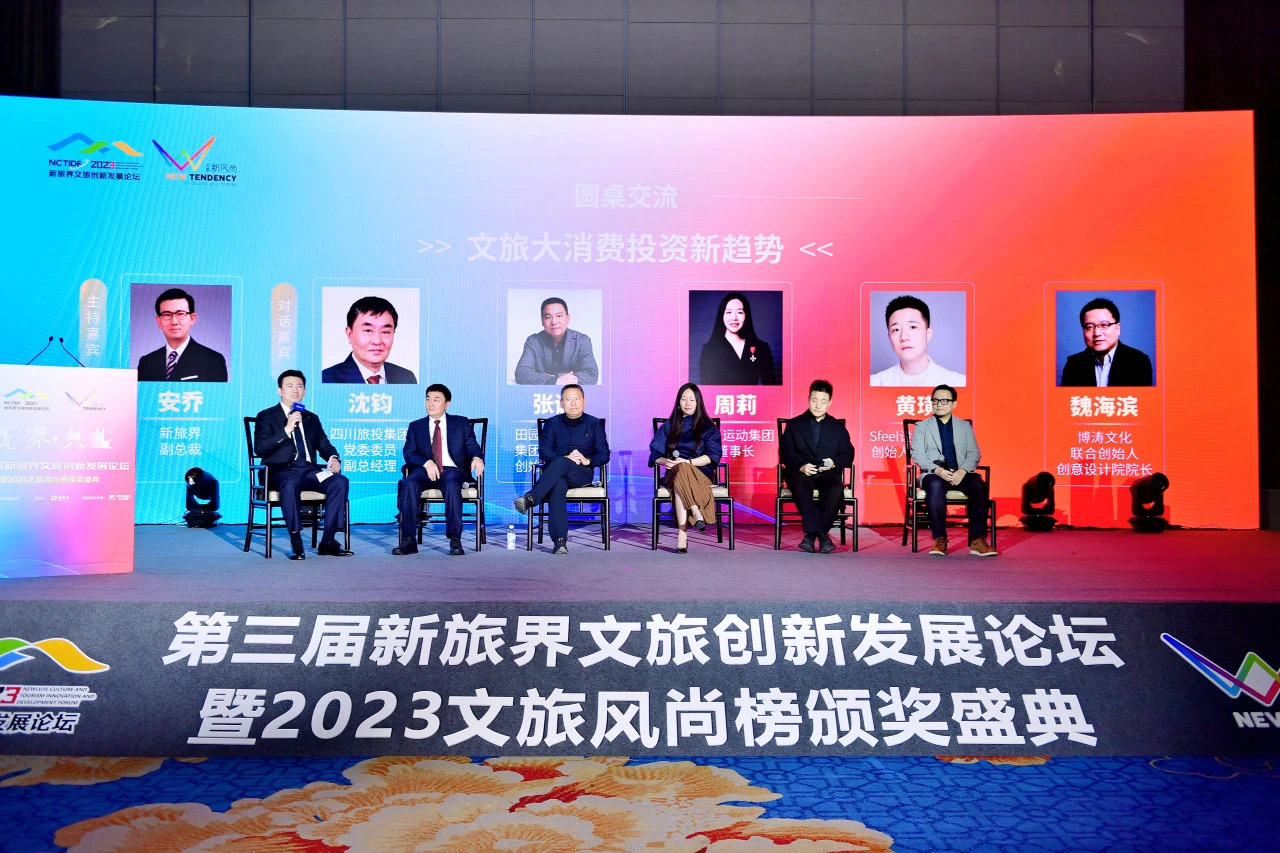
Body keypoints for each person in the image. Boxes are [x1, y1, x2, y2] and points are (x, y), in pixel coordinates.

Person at [253, 370, 353, 559]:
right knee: (290, 483)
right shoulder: (267, 416)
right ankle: (296, 540)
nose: (295, 390)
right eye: (289, 386)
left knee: (340, 481)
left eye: (299, 386)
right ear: (279, 391)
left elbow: (324, 444)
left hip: (308, 471)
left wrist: (333, 457)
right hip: (279, 471)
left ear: (305, 391)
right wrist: (287, 429)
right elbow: (260, 448)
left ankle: (328, 540)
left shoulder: (311, 418)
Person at [512, 384, 609, 554]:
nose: (573, 403)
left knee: (561, 464)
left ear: (584, 401)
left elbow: (604, 454)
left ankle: (531, 498)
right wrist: (566, 457)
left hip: (581, 474)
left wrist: (587, 460)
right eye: (568, 399)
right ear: (561, 403)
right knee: (558, 484)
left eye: (577, 398)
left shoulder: (594, 424)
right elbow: (544, 451)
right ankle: (560, 542)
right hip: (556, 474)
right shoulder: (552, 423)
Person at [393, 384, 485, 557]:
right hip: (425, 470)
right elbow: (409, 453)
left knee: (451, 483)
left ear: (447, 404)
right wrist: (427, 462)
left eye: (436, 400)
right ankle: (408, 539)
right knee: (409, 483)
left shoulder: (460, 423)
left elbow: (472, 445)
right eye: (428, 399)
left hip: (452, 470)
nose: (430, 403)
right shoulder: (416, 426)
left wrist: (477, 457)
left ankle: (455, 539)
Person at [909, 384, 996, 557]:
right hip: (934, 473)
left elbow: (974, 453)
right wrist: (937, 470)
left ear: (954, 404)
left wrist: (962, 471)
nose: (939, 404)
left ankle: (978, 540)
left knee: (979, 486)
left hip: (961, 473)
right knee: (935, 486)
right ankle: (940, 539)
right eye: (935, 400)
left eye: (944, 400)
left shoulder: (964, 426)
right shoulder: (922, 426)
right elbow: (917, 454)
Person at [778, 380, 854, 553]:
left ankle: (812, 535)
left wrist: (833, 463)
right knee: (801, 487)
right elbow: (785, 453)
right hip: (800, 472)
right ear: (809, 399)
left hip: (827, 473)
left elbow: (848, 454)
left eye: (823, 401)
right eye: (814, 400)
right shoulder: (794, 424)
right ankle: (823, 536)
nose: (818, 405)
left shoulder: (837, 427)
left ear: (830, 402)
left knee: (835, 489)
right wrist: (801, 466)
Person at [649, 383, 723, 553]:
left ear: (698, 402)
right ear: (678, 402)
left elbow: (712, 456)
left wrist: (688, 463)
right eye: (684, 399)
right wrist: (665, 461)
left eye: (692, 399)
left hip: (700, 474)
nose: (687, 403)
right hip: (673, 472)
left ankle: (682, 535)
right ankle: (695, 511)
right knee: (680, 470)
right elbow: (655, 454)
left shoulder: (708, 427)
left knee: (682, 469)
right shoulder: (669, 426)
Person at [869, 295, 966, 387]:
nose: (903, 337)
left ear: (928, 334)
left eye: (913, 327)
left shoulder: (959, 383)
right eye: (896, 329)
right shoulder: (874, 383)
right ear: (889, 337)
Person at [136, 288, 228, 382]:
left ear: (192, 318)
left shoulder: (213, 360)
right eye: (167, 315)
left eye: (180, 314)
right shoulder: (146, 363)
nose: (174, 322)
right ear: (158, 321)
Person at [322, 296, 418, 384]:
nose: (377, 341)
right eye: (368, 331)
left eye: (385, 332)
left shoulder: (406, 378)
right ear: (349, 334)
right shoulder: (326, 379)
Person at [1060, 297, 1153, 387]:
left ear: (1118, 328)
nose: (1097, 333)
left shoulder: (1138, 361)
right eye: (1089, 327)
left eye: (1104, 325)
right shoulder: (1073, 364)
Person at [514, 297, 599, 385]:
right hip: (543, 393)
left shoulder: (582, 341)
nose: (554, 322)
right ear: (542, 321)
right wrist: (555, 381)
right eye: (548, 317)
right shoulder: (533, 341)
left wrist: (557, 377)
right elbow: (521, 373)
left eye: (559, 316)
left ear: (568, 318)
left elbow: (592, 374)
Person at [698, 291, 776, 385]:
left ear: (746, 315)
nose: (734, 318)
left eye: (739, 312)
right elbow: (707, 388)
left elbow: (771, 387)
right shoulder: (710, 350)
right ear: (722, 315)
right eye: (729, 312)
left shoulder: (762, 348)